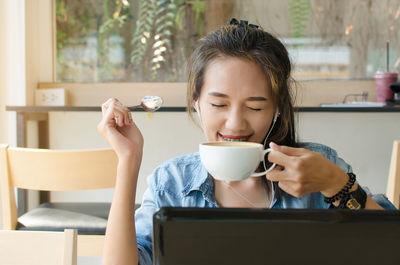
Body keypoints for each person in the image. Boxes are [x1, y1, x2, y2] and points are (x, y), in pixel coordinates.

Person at [97, 19, 396, 265]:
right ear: (196, 103)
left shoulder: (316, 168)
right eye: (218, 105)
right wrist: (128, 160)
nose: (235, 124)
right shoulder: (173, 183)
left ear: (277, 108)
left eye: (255, 107)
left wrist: (336, 183)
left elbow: (390, 249)